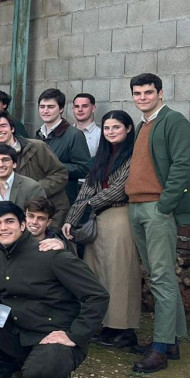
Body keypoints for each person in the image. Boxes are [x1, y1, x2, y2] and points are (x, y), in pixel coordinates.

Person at [0, 201, 108, 378]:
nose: (3, 228)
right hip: (17, 329)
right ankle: (12, 376)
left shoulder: (51, 254)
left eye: (9, 221)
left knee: (39, 375)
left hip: (52, 333)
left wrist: (74, 335)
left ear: (22, 225)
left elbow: (97, 295)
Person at [124, 73, 190, 373]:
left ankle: (161, 348)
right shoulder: (143, 124)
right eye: (137, 93)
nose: (142, 97)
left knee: (162, 278)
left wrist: (165, 206)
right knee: (156, 275)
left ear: (161, 93)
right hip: (137, 206)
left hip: (157, 208)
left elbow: (182, 165)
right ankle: (172, 341)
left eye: (148, 92)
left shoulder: (174, 121)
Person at [61, 110, 141, 349]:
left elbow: (118, 190)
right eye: (107, 128)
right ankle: (106, 325)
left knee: (120, 274)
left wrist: (88, 204)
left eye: (116, 127)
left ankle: (124, 329)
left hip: (120, 216)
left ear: (128, 129)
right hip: (97, 220)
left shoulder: (133, 155)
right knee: (97, 273)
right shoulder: (101, 156)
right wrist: (71, 218)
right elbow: (87, 188)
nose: (110, 132)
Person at [0, 112, 70, 224]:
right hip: (14, 219)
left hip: (47, 214)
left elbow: (60, 174)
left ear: (12, 129)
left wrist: (32, 189)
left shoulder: (37, 147)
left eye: (3, 126)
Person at [35, 89, 91, 205]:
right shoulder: (39, 134)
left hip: (62, 199)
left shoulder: (74, 134)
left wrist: (54, 166)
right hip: (40, 198)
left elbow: (84, 168)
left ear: (61, 109)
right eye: (42, 107)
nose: (45, 111)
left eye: (50, 107)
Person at [0, 143, 47, 213]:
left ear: (14, 164)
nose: (1, 165)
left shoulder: (32, 187)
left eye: (5, 160)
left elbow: (39, 217)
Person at [71, 93, 100, 157]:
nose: (80, 110)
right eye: (76, 106)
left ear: (93, 108)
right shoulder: (66, 133)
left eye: (85, 106)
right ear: (73, 109)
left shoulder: (100, 135)